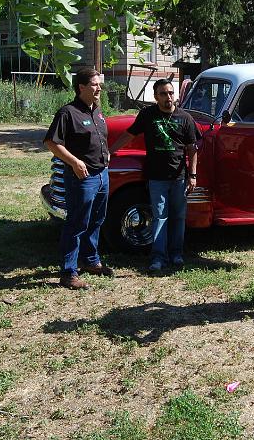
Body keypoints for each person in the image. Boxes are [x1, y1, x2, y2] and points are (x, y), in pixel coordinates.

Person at [109, 78, 198, 273]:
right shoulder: (148, 115)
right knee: (159, 217)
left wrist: (192, 175)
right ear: (156, 97)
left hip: (179, 177)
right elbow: (129, 134)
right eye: (164, 94)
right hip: (156, 177)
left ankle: (176, 254)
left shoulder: (185, 118)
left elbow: (192, 149)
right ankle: (158, 257)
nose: (169, 97)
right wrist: (110, 151)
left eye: (171, 93)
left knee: (178, 217)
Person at [44, 67, 113, 289]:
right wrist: (74, 162)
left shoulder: (98, 111)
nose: (99, 88)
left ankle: (90, 261)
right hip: (82, 178)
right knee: (76, 223)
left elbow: (99, 138)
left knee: (97, 220)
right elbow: (52, 143)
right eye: (94, 84)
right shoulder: (68, 113)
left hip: (102, 175)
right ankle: (68, 272)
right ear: (81, 87)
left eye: (99, 84)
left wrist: (106, 152)